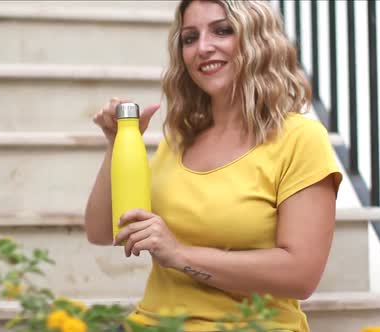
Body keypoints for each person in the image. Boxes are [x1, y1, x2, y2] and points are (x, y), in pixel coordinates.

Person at [84, 0, 342, 331]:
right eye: (189, 38)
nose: (203, 48)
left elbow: (301, 274)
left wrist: (180, 255)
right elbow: (103, 231)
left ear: (257, 40)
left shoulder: (300, 138)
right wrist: (116, 142)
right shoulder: (181, 137)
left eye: (222, 31)